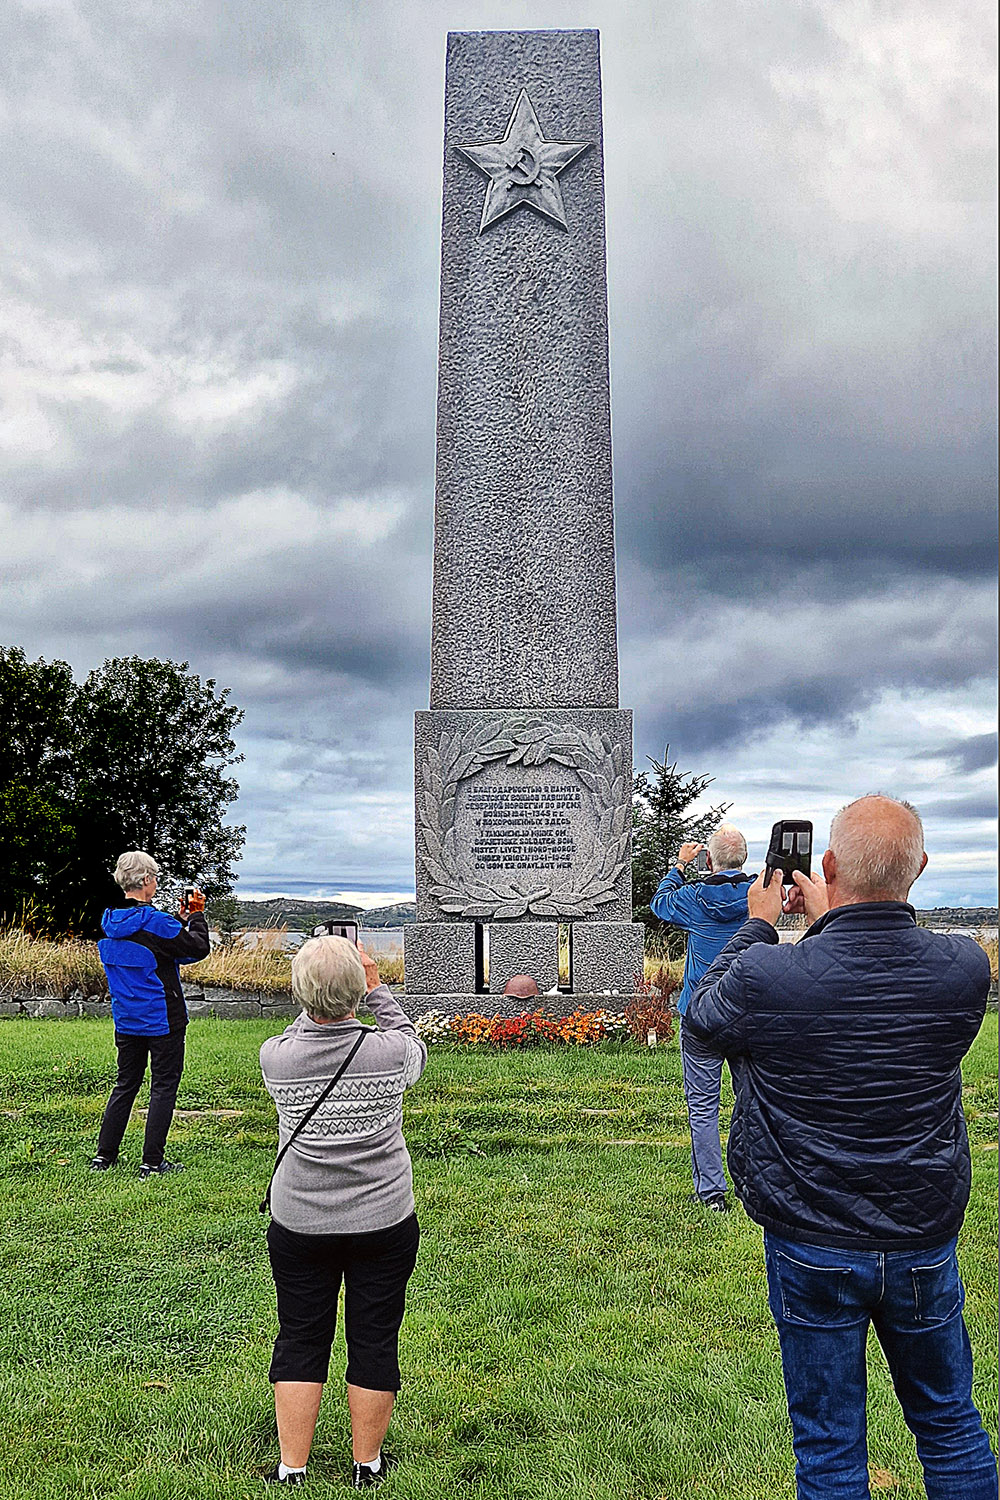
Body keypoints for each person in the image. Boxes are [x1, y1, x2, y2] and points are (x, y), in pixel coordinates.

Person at [685, 795, 997, 1500]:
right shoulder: (963, 969)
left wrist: (758, 926)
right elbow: (869, 979)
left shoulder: (771, 978)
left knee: (829, 1446)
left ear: (826, 865)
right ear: (920, 867)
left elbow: (703, 1019)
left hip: (812, 1232)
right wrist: (833, 918)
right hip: (922, 1232)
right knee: (950, 1425)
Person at [260, 936, 427, 1490]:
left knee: (300, 1336)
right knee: (374, 1337)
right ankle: (367, 1465)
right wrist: (378, 992)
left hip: (301, 1219)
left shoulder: (276, 1057)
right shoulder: (390, 1053)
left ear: (299, 992)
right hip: (383, 1217)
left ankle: (293, 1467)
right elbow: (410, 1040)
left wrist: (320, 995)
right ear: (360, 987)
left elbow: (301, 1029)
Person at [650, 824, 751, 1210]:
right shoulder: (759, 896)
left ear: (709, 860)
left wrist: (679, 864)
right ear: (744, 859)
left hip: (700, 1012)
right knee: (751, 1100)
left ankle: (712, 1192)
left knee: (703, 1106)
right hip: (746, 1011)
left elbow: (660, 903)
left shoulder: (693, 897)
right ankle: (750, 1182)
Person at [92, 851, 210, 1178]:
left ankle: (104, 1156)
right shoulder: (155, 921)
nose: (156, 883)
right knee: (163, 1086)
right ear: (145, 881)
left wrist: (181, 922)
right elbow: (196, 948)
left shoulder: (109, 921)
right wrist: (196, 917)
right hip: (163, 1020)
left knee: (125, 1084)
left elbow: (162, 951)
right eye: (155, 878)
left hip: (126, 1019)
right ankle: (152, 1162)